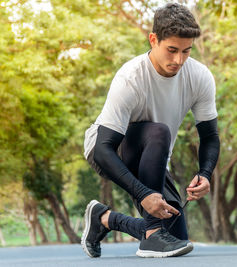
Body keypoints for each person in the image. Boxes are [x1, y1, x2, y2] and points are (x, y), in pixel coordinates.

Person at [81, 3, 220, 258]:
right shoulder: (130, 78)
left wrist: (205, 173)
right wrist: (144, 194)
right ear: (153, 39)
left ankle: (104, 218)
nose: (178, 60)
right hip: (108, 150)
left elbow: (210, 136)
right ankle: (152, 234)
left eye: (186, 51)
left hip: (154, 157)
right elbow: (102, 150)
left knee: (177, 237)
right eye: (172, 50)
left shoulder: (200, 78)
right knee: (159, 132)